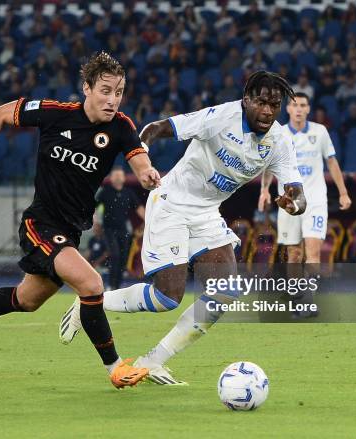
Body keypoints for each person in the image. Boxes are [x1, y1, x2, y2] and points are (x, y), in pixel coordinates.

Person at [0, 52, 161, 389]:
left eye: (119, 92)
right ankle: (115, 368)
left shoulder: (121, 126)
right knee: (92, 285)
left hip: (69, 231)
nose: (112, 99)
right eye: (105, 90)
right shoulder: (55, 113)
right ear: (87, 88)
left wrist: (147, 173)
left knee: (27, 300)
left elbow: (138, 157)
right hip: (40, 224)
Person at [60, 71, 306, 384]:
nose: (268, 111)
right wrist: (143, 158)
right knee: (167, 298)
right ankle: (91, 303)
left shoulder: (279, 141)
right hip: (171, 202)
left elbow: (298, 193)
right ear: (246, 100)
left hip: (206, 212)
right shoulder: (220, 117)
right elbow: (157, 128)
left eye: (275, 104)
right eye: (261, 102)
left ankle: (151, 362)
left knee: (226, 290)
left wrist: (293, 203)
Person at [259, 92, 351, 265]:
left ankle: (311, 292)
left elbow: (331, 162)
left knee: (313, 253)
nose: (298, 109)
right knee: (293, 254)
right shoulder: (279, 134)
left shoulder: (320, 131)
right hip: (288, 202)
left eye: (302, 105)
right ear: (288, 109)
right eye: (295, 105)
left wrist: (343, 193)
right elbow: (270, 165)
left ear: (308, 109)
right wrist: (264, 190)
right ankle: (296, 291)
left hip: (315, 200)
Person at [95, 166, 145, 289]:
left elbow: (139, 208)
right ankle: (111, 285)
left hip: (123, 230)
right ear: (111, 178)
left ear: (123, 178)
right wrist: (95, 220)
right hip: (109, 230)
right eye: (115, 175)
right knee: (115, 255)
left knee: (123, 258)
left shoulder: (128, 193)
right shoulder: (105, 191)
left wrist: (149, 220)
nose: (117, 177)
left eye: (120, 175)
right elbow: (94, 206)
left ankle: (117, 285)